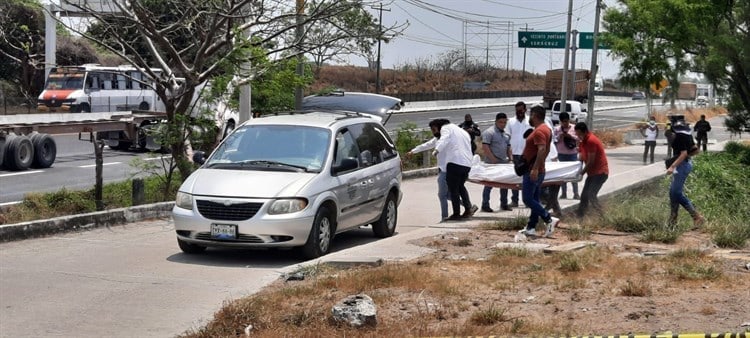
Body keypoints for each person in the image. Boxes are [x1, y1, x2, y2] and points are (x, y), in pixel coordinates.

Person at [518, 105, 559, 237]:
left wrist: (535, 168)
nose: (529, 117)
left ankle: (548, 218)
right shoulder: (546, 129)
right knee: (535, 198)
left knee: (527, 199)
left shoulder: (540, 131)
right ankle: (531, 227)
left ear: (535, 115)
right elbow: (545, 151)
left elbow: (542, 150)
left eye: (530, 114)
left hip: (533, 170)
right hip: (538, 169)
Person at [431, 118, 478, 221]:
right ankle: (468, 209)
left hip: (454, 162)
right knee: (461, 186)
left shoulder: (445, 128)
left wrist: (436, 150)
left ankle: (456, 213)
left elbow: (444, 139)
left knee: (453, 189)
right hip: (467, 163)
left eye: (435, 129)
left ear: (440, 126)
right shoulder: (461, 131)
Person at [667, 121, 705, 227]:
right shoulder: (686, 135)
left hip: (681, 166)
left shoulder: (678, 137)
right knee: (673, 192)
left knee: (676, 193)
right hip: (685, 164)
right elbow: (696, 150)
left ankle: (696, 216)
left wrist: (672, 166)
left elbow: (683, 154)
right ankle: (673, 221)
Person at [406, 133, 451, 222]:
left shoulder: (446, 140)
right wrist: (413, 151)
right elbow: (426, 145)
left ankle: (445, 217)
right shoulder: (437, 139)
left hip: (446, 170)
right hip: (446, 169)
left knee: (442, 195)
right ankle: (468, 206)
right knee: (448, 195)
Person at [574, 121, 609, 219]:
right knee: (584, 196)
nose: (578, 136)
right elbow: (581, 157)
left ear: (584, 132)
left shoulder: (591, 140)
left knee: (591, 195)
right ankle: (580, 217)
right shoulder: (583, 142)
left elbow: (591, 161)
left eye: (579, 134)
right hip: (592, 174)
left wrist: (581, 173)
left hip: (600, 173)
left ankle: (603, 216)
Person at [480, 112, 513, 212]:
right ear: (496, 121)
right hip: (492, 163)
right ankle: (485, 204)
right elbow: (485, 147)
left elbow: (508, 147)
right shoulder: (489, 132)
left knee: (504, 184)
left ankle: (504, 203)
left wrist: (510, 159)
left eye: (504, 122)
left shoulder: (506, 134)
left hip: (503, 162)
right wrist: (493, 159)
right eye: (500, 122)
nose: (502, 124)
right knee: (489, 184)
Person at [507, 101, 532, 208]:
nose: (519, 112)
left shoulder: (530, 121)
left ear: (525, 110)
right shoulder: (511, 122)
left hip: (527, 154)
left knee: (527, 178)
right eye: (517, 111)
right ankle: (514, 200)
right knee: (515, 178)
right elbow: (507, 137)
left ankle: (527, 200)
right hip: (515, 154)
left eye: (521, 110)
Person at [554, 112, 580, 199]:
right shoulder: (557, 129)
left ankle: (576, 193)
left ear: (569, 120)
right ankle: (563, 193)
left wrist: (570, 136)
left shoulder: (574, 128)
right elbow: (554, 140)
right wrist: (559, 137)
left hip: (572, 154)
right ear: (560, 121)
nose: (565, 123)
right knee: (563, 175)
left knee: (574, 174)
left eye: (566, 121)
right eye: (563, 122)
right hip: (561, 154)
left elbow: (578, 138)